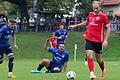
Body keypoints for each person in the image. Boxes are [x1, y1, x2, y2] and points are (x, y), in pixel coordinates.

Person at [68, 1, 111, 80]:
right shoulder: (90, 14)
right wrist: (75, 25)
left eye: (96, 8)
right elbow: (86, 22)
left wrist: (105, 40)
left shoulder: (103, 16)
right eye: (94, 8)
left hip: (98, 40)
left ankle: (103, 69)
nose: (95, 10)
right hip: (89, 38)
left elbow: (109, 28)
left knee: (99, 60)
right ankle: (92, 73)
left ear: (99, 8)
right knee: (89, 55)